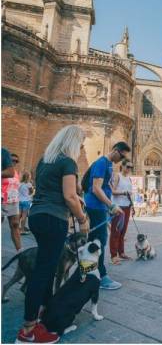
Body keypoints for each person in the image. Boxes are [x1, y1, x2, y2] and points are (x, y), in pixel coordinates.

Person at [16, 125, 89, 343]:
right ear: (73, 143)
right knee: (43, 273)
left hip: (37, 217)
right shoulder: (68, 162)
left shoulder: (44, 160)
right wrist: (82, 219)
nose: (82, 148)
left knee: (45, 270)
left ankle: (44, 317)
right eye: (81, 143)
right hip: (53, 219)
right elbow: (68, 195)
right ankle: (28, 330)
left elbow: (51, 190)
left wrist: (76, 200)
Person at [84, 142, 129, 290]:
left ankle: (87, 273)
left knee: (93, 241)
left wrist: (109, 206)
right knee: (100, 241)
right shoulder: (101, 163)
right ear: (116, 151)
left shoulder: (109, 165)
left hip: (100, 207)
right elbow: (96, 188)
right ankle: (101, 277)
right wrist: (112, 205)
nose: (122, 160)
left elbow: (106, 187)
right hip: (95, 206)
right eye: (122, 156)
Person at [109, 160, 134, 264]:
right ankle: (114, 256)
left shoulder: (129, 178)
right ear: (122, 166)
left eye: (131, 167)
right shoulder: (117, 176)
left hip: (127, 206)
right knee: (115, 231)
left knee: (123, 231)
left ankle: (121, 252)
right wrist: (124, 192)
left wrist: (132, 206)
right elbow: (113, 191)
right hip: (118, 207)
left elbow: (130, 194)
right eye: (128, 166)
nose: (129, 169)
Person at [2, 151, 23, 252]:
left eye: (16, 161)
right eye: (12, 160)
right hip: (2, 200)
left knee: (15, 224)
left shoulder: (17, 173)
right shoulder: (3, 170)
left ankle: (20, 251)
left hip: (14, 201)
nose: (14, 162)